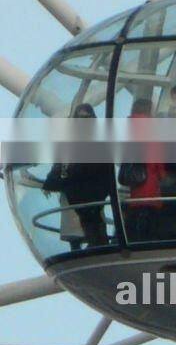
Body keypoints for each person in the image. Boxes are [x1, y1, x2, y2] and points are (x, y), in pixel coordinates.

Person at [43, 103, 114, 248]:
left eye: (86, 118)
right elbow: (61, 164)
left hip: (86, 196)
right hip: (78, 196)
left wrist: (51, 182)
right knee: (82, 234)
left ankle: (95, 251)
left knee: (92, 232)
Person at [123, 98, 166, 242]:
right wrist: (163, 175)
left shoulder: (130, 129)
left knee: (136, 215)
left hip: (135, 183)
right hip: (150, 183)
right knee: (149, 224)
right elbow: (156, 159)